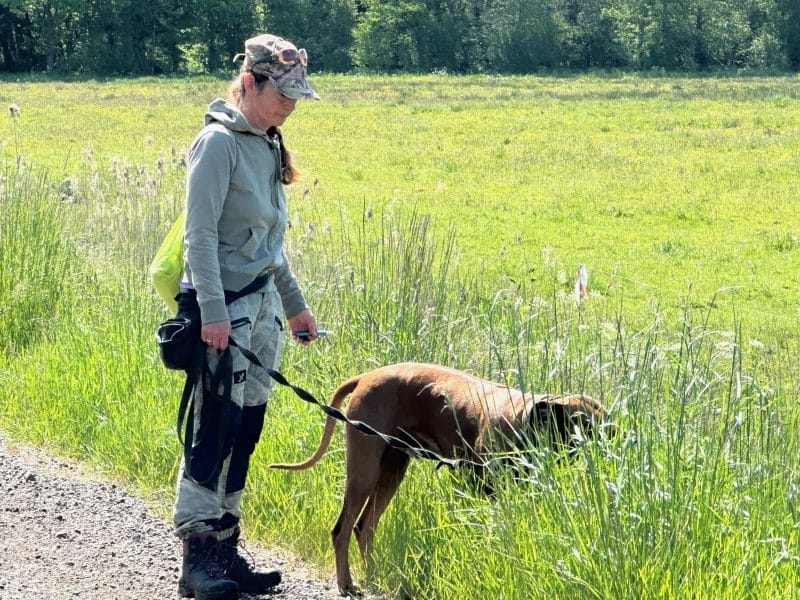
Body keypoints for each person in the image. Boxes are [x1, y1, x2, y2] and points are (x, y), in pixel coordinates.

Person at [172, 33, 320, 600]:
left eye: (295, 94)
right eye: (281, 92)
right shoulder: (217, 144)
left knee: (246, 428)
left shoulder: (266, 142)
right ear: (251, 82)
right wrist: (211, 311)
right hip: (223, 313)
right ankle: (197, 560)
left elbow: (269, 247)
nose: (290, 103)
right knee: (213, 430)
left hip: (261, 313)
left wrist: (295, 305)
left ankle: (227, 551)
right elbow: (199, 237)